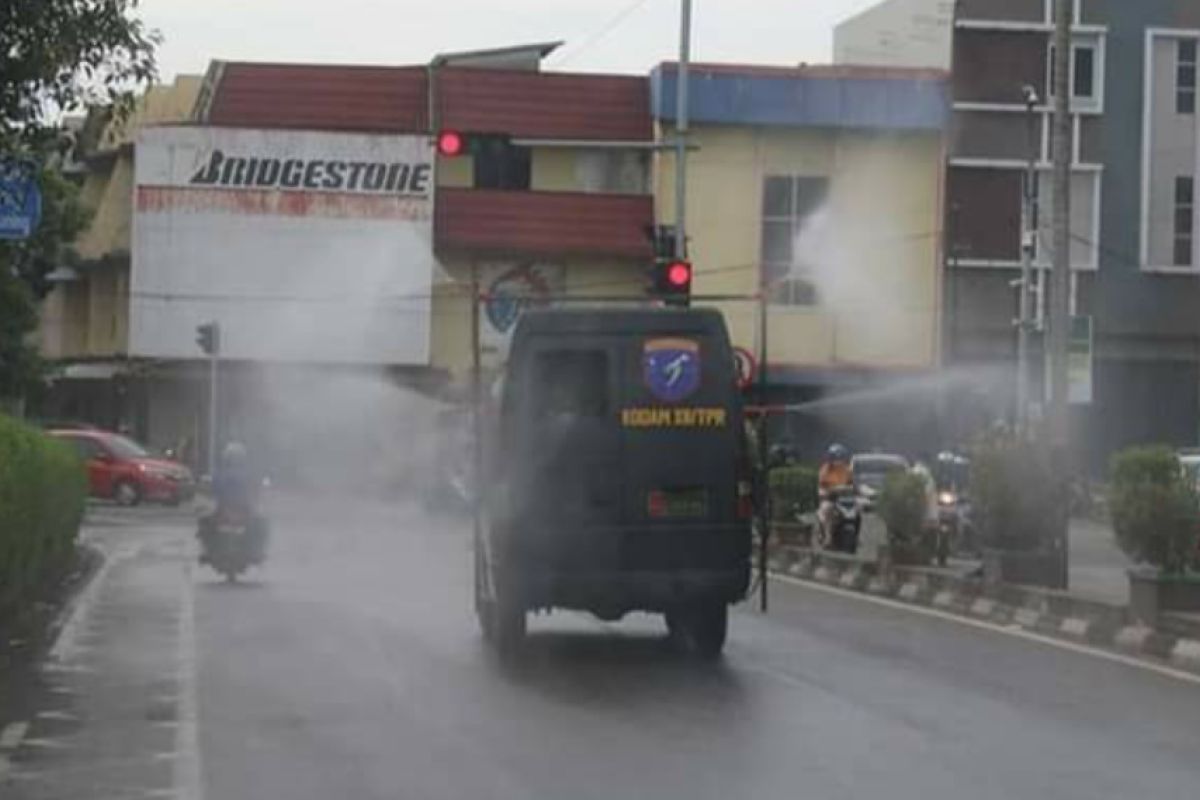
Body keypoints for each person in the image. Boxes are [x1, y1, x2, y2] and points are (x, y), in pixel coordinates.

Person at [817, 444, 854, 543]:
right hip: (830, 499)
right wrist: (829, 491)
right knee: (827, 509)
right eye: (835, 457)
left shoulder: (847, 470)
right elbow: (822, 487)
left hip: (845, 500)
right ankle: (828, 538)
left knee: (857, 512)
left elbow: (852, 484)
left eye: (840, 457)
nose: (838, 460)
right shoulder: (825, 470)